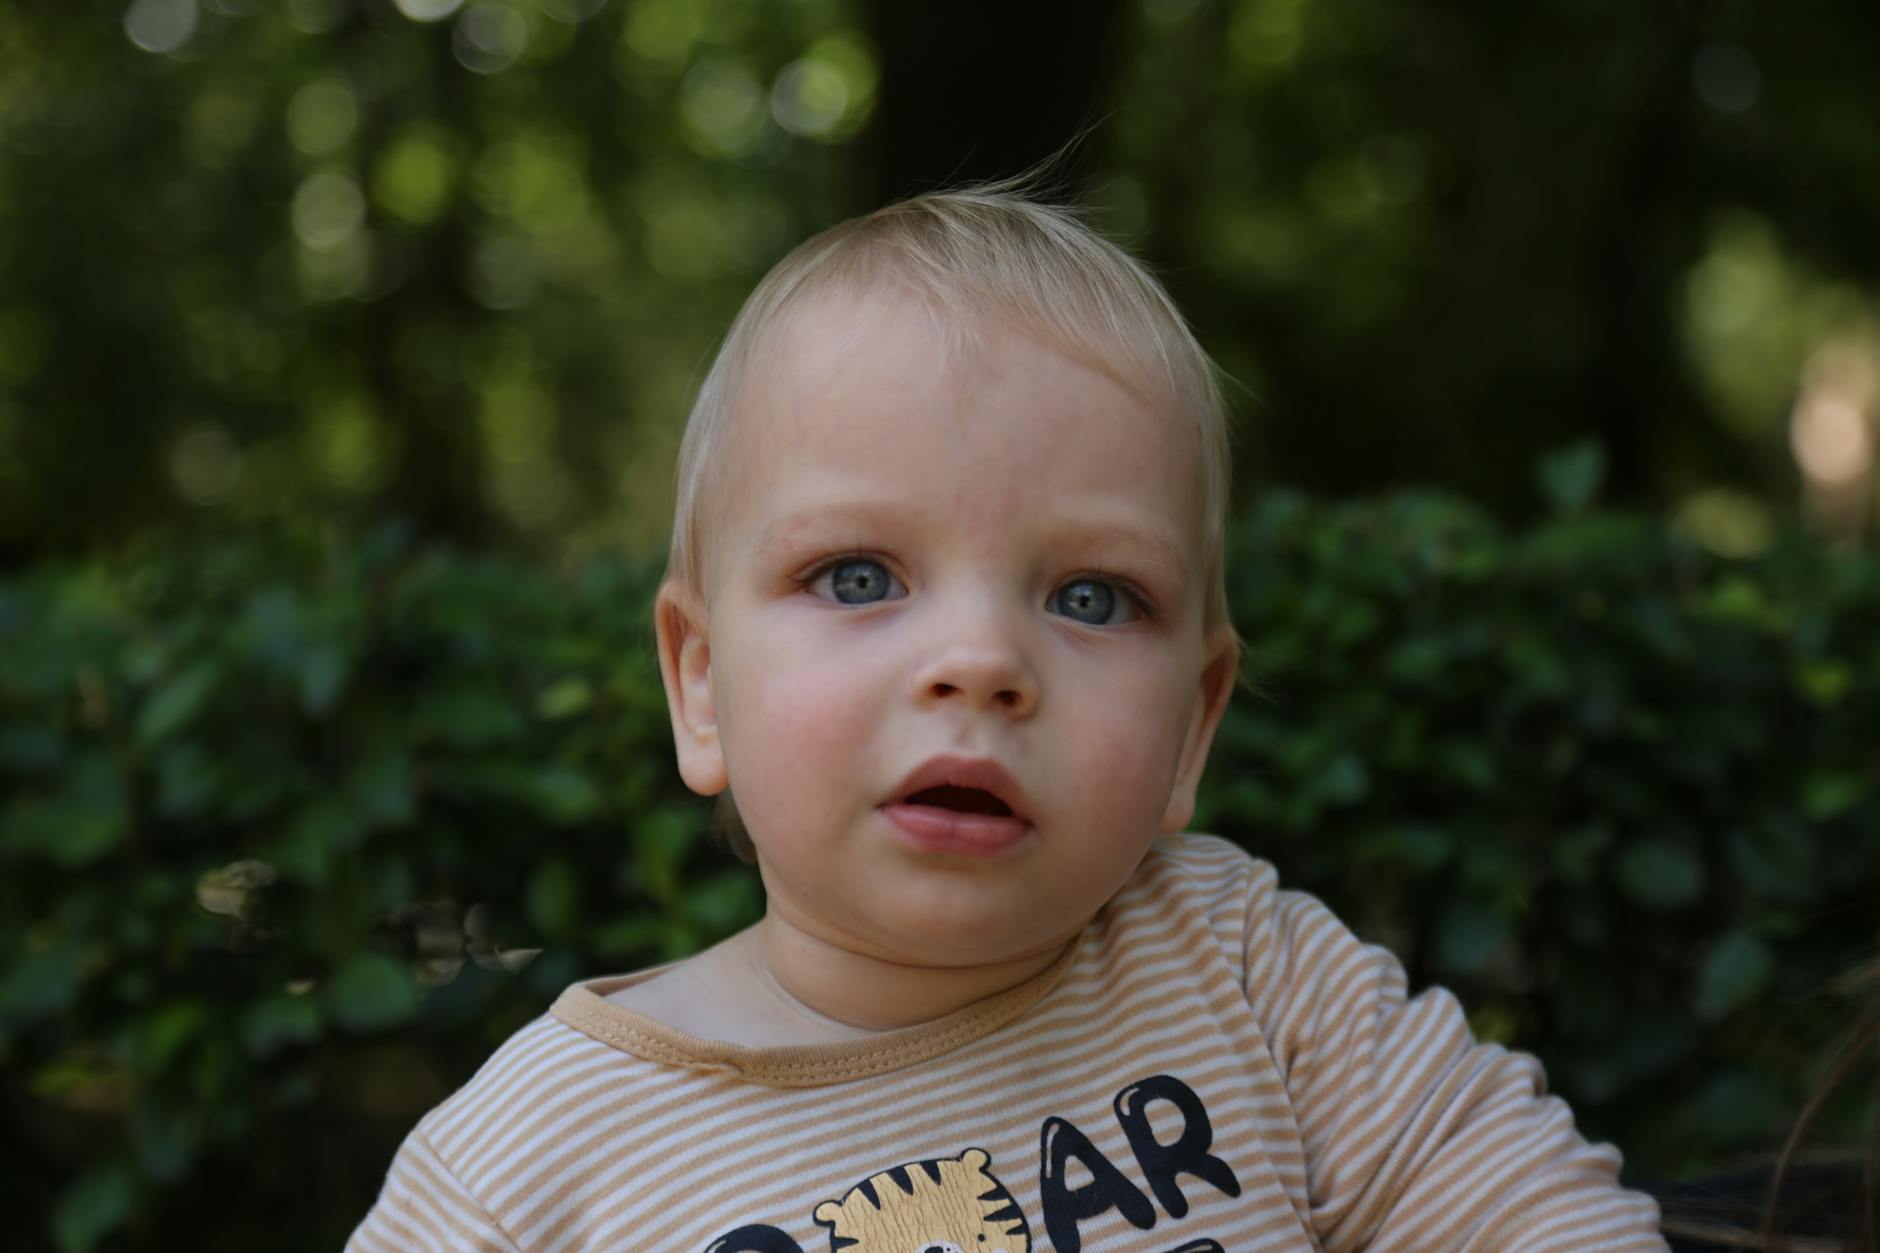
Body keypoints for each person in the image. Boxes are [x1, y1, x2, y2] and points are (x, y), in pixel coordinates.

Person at [348, 177, 1668, 1252]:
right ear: (699, 681)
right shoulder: (529, 1171)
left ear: (1193, 726)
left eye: (1092, 597)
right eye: (857, 577)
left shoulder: (1249, 977)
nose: (982, 660)